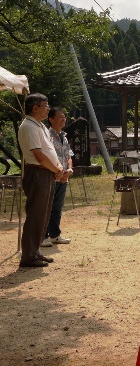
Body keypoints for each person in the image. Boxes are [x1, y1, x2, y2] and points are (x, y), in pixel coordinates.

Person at [17, 93, 63, 267]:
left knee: (44, 214)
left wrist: (58, 168)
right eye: (45, 105)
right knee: (36, 214)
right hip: (37, 173)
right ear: (35, 107)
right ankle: (28, 255)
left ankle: (35, 250)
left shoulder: (40, 126)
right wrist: (56, 169)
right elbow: (39, 155)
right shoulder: (28, 126)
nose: (48, 108)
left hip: (47, 172)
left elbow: (49, 150)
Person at [42, 107, 74, 248]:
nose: (63, 119)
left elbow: (68, 156)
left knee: (57, 208)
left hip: (63, 177)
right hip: (51, 176)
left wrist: (69, 170)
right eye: (60, 116)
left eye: (64, 116)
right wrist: (57, 171)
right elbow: (46, 156)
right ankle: (43, 236)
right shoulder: (46, 136)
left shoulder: (64, 137)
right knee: (46, 207)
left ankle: (55, 235)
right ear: (51, 119)